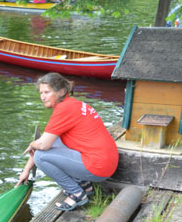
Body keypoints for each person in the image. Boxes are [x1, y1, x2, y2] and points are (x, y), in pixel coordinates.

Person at [16, 72, 118, 211]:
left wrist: (31, 144)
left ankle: (77, 193)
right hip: (107, 162)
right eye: (41, 93)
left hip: (98, 167)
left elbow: (41, 146)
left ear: (61, 91)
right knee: (53, 144)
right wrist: (27, 170)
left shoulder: (64, 109)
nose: (42, 97)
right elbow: (44, 142)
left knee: (41, 157)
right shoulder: (73, 104)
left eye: (47, 92)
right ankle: (84, 185)